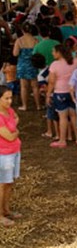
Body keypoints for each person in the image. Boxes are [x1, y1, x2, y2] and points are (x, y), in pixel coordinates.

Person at [47, 44, 77, 148]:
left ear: (59, 52)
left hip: (60, 92)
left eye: (53, 51)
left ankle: (62, 140)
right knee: (74, 115)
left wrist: (48, 94)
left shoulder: (54, 65)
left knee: (63, 117)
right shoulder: (75, 61)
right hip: (73, 91)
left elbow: (51, 82)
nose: (52, 53)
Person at [0, 86, 21, 227]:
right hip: (4, 153)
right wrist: (15, 133)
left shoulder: (9, 111)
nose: (9, 101)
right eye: (6, 98)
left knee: (9, 183)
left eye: (10, 98)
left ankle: (6, 209)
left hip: (14, 151)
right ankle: (0, 215)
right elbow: (8, 135)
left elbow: (16, 119)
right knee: (2, 184)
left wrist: (14, 133)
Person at [12, 23, 40, 111]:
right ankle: (38, 105)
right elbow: (37, 53)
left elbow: (15, 54)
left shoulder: (19, 40)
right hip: (32, 64)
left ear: (22, 30)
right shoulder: (35, 40)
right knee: (35, 86)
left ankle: (25, 106)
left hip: (22, 65)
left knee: (24, 87)